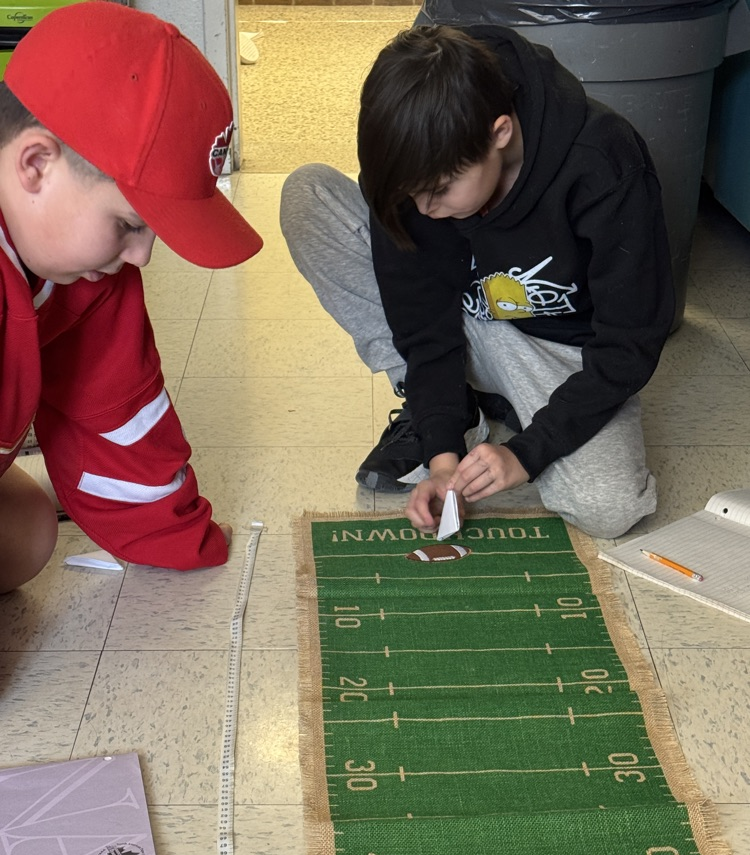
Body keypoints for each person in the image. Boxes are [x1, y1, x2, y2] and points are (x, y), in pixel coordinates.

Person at [280, 24, 674, 539]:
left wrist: (528, 452)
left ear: (500, 133)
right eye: (412, 194)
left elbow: (630, 344)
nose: (424, 210)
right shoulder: (415, 163)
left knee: (608, 508)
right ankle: (454, 408)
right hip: (463, 323)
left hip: (560, 353)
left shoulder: (602, 161)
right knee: (308, 194)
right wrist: (442, 457)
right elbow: (420, 319)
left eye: (441, 190)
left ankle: (507, 403)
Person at [0, 2, 263, 593]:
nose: (143, 256)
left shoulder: (84, 272)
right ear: (36, 165)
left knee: (29, 533)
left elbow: (116, 409)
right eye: (128, 224)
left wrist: (184, 541)